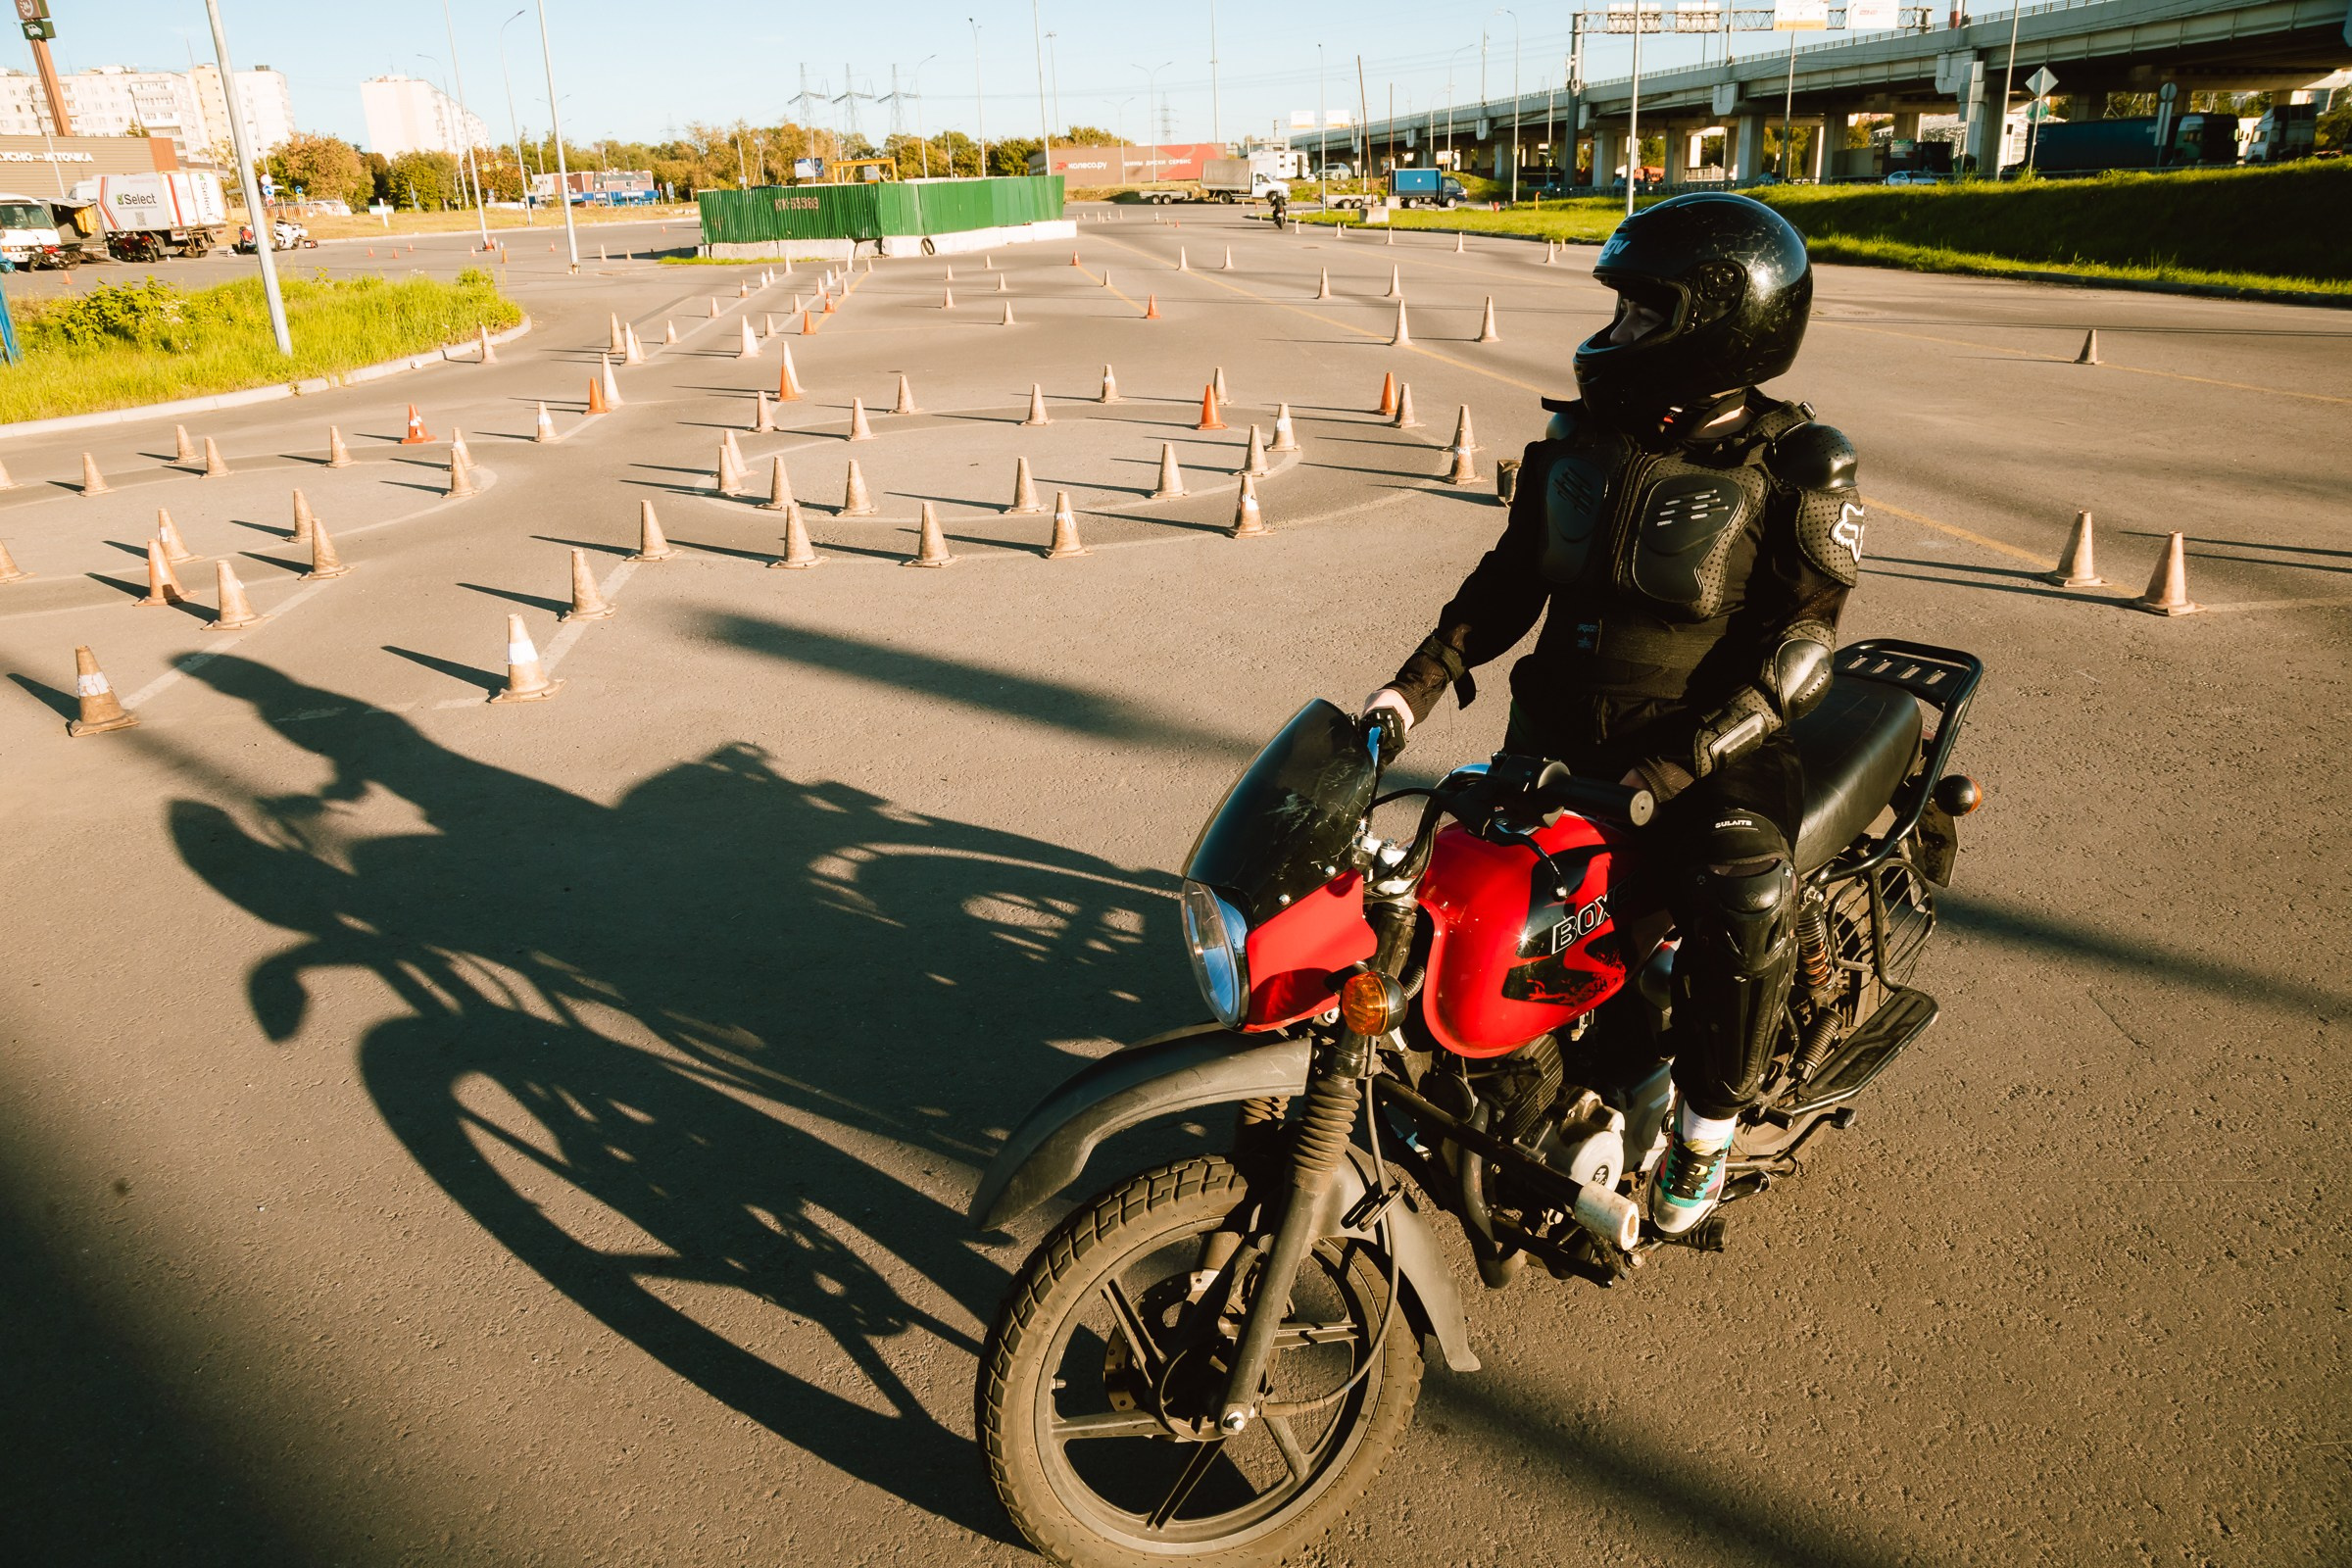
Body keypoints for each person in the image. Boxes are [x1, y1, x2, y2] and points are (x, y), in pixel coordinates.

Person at [1361, 192, 1864, 1238]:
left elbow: (1806, 642)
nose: (1616, 332)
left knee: (1744, 891)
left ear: (1719, 322)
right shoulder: (1578, 437)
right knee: (1479, 911)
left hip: (1704, 748)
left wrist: (1689, 760)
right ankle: (1589, 1082)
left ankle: (1707, 1131)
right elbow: (1506, 585)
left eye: (1643, 311)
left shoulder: (1798, 463)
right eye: (1621, 309)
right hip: (1557, 737)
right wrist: (1406, 691)